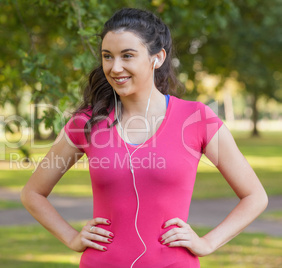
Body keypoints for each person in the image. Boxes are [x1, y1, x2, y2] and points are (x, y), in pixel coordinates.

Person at [21, 8, 268, 267]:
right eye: (107, 56)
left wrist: (207, 243)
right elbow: (33, 193)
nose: (115, 67)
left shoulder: (196, 119)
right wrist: (72, 238)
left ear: (157, 58)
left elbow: (255, 196)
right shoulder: (87, 123)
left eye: (127, 55)